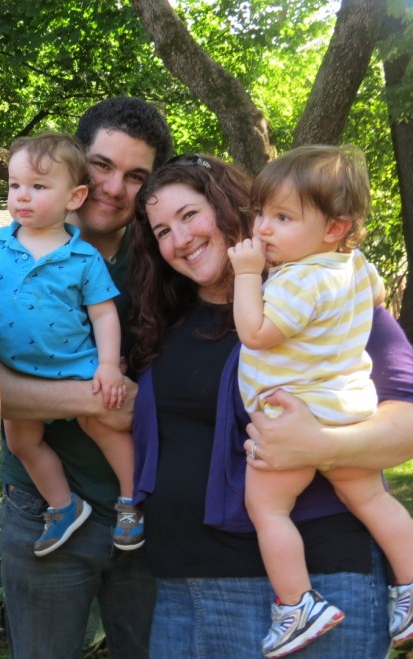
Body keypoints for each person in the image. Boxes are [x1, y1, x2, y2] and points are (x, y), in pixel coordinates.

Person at [130, 152, 413, 658]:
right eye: (163, 231)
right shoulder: (166, 319)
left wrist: (321, 444)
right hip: (182, 586)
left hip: (318, 577)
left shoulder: (320, 292)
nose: (180, 239)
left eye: (190, 215)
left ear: (229, 205)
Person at [0, 97, 173, 658]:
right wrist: (95, 400)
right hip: (42, 508)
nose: (114, 188)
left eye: (135, 176)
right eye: (102, 165)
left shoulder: (168, 257)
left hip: (146, 510)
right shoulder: (10, 250)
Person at [229, 145, 413, 655]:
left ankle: (297, 605)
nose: (262, 229)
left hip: (293, 412)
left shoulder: (299, 279)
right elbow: (376, 297)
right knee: (371, 498)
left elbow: (256, 332)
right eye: (261, 214)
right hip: (347, 405)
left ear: (335, 227)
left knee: (267, 508)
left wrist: (247, 274)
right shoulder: (352, 264)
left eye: (283, 218)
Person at [0, 132, 137, 557]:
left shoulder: (83, 257)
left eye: (39, 186)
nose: (22, 196)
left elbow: (103, 315)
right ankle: (64, 506)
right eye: (15, 185)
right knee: (22, 442)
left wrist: (107, 366)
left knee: (102, 424)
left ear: (74, 197)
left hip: (75, 364)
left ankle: (131, 498)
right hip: (15, 369)